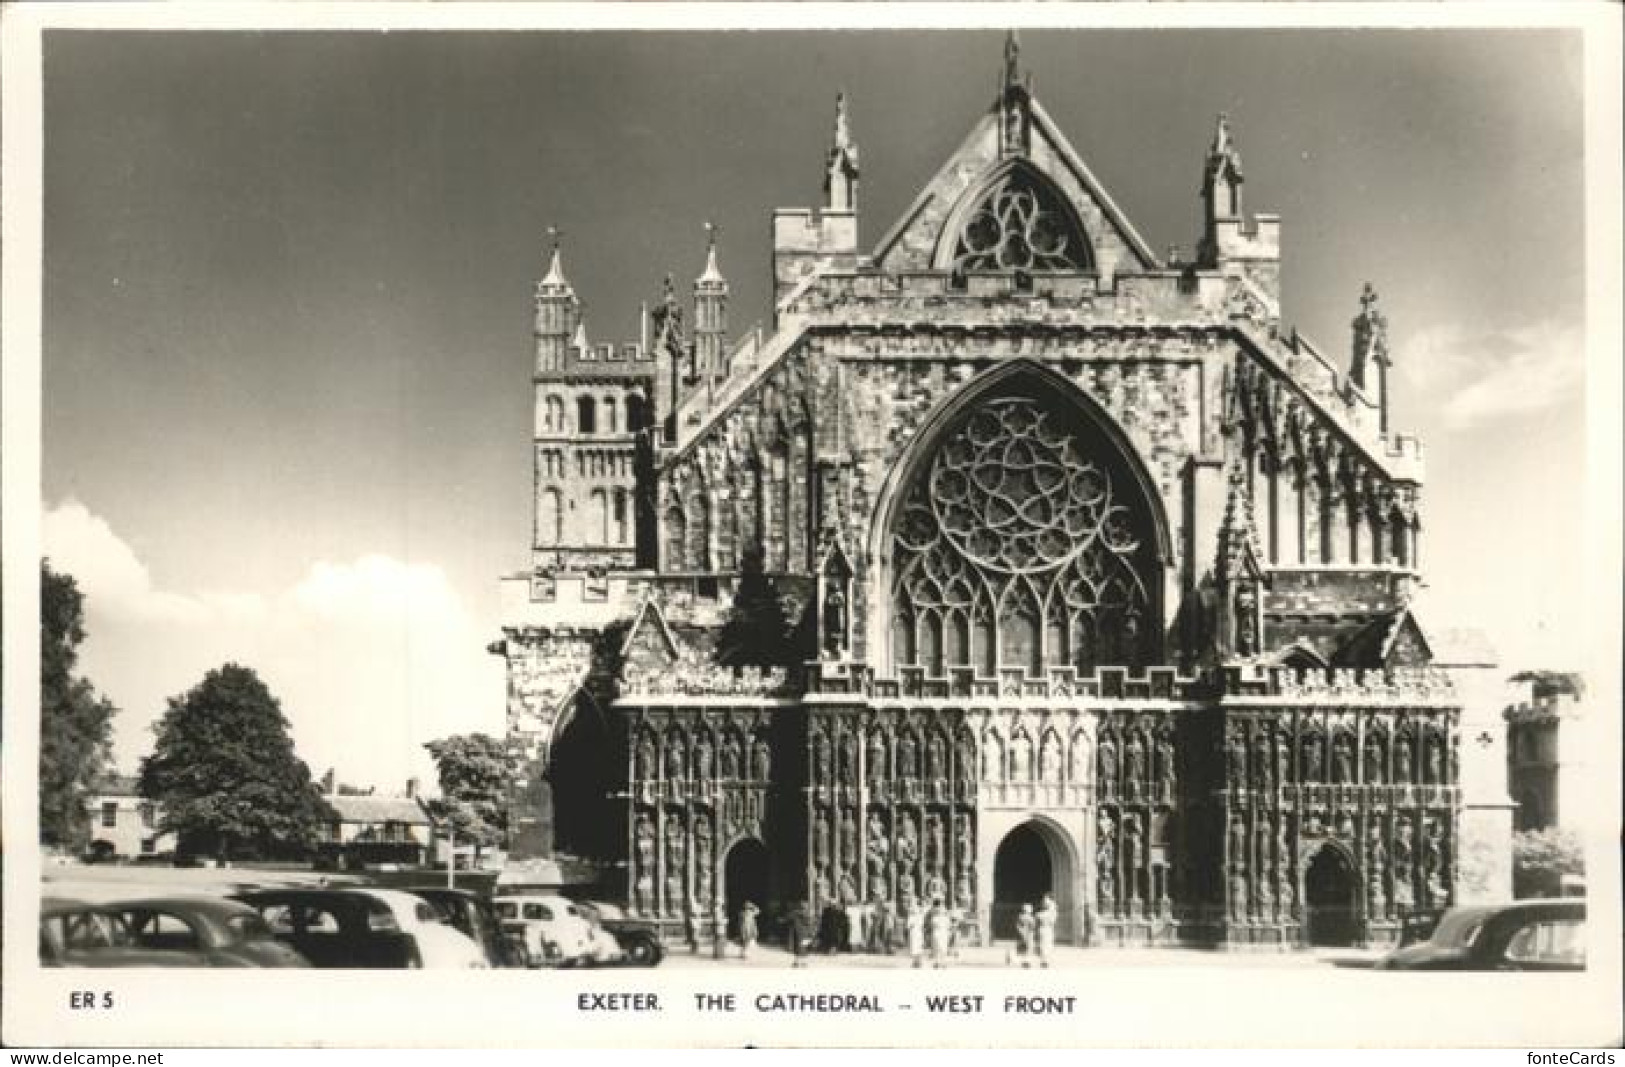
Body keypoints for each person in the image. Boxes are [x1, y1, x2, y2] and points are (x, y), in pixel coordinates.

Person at [927, 900, 952, 969]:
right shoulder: (935, 918)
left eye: (942, 909)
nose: (940, 910)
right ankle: (937, 962)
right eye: (939, 908)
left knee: (943, 948)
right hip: (937, 933)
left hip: (944, 932)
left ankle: (943, 962)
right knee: (937, 947)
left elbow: (949, 926)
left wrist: (948, 932)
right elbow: (932, 925)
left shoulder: (946, 918)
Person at [1035, 893, 1058, 969]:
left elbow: (1051, 919)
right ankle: (1044, 961)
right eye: (1044, 900)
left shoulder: (1052, 909)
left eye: (1046, 900)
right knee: (1042, 946)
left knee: (1046, 945)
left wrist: (1040, 915)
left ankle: (1045, 961)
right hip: (1043, 929)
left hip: (1047, 929)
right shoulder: (1045, 911)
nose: (1044, 902)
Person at [790, 903, 813, 968]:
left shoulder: (794, 913)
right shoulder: (806, 915)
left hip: (796, 932)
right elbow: (808, 924)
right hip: (804, 933)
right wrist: (810, 933)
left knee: (797, 947)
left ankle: (796, 962)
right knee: (804, 947)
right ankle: (803, 962)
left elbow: (791, 921)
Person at [1014, 903, 1036, 967]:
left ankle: (1024, 960)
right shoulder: (1030, 918)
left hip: (1023, 933)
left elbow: (1017, 925)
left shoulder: (1020, 916)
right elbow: (1033, 927)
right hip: (1028, 933)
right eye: (1030, 909)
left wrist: (1020, 931)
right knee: (1028, 947)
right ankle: (1026, 961)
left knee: (1023, 947)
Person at [906, 901, 926, 968]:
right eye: (914, 909)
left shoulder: (920, 916)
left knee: (919, 946)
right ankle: (915, 962)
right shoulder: (911, 917)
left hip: (919, 932)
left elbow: (922, 925)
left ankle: (919, 961)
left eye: (916, 909)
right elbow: (908, 926)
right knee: (913, 946)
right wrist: (912, 925)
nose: (915, 910)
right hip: (913, 932)